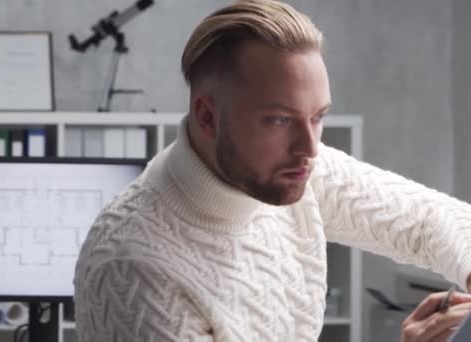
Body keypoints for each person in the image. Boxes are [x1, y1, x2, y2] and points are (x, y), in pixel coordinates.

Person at [74, 1, 471, 341]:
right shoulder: (135, 269)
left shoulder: (292, 167)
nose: (309, 149)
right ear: (208, 115)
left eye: (317, 117)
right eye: (280, 121)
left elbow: (432, 222)